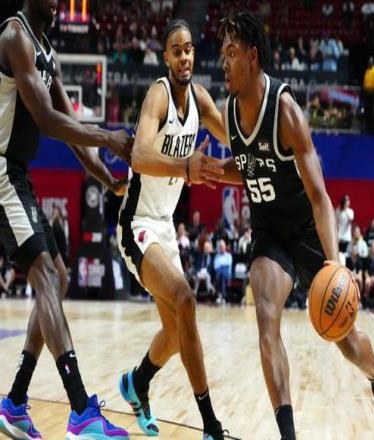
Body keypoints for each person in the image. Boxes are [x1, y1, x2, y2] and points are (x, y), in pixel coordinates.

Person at [217, 11, 374, 439]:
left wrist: (335, 264)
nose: (223, 62)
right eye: (222, 54)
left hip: (306, 233)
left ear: (253, 57)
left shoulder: (285, 111)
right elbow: (248, 165)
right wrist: (213, 170)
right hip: (269, 234)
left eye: (232, 53)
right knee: (266, 319)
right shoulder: (229, 110)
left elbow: (320, 197)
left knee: (346, 342)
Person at [0, 1, 132, 438]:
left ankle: (15, 402)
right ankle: (80, 412)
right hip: (0, 172)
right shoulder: (15, 37)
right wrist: (108, 136)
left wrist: (109, 181)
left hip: (17, 173)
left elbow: (72, 131)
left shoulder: (47, 52)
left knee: (58, 277)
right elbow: (47, 120)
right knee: (44, 276)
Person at [116, 19, 227, 439]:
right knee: (185, 299)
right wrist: (185, 167)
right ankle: (211, 424)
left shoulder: (201, 99)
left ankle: (137, 382)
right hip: (137, 223)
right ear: (166, 57)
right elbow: (140, 156)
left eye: (189, 49)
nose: (184, 56)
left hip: (164, 225)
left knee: (176, 333)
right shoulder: (158, 95)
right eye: (176, 50)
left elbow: (235, 136)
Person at [214, 239, 233, 303]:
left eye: (222, 246)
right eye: (220, 246)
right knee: (221, 273)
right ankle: (223, 296)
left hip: (227, 273)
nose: (221, 248)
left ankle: (220, 295)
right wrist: (222, 266)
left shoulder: (229, 256)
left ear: (225, 247)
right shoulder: (217, 256)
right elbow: (215, 266)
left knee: (223, 271)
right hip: (219, 272)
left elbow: (228, 265)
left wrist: (221, 266)